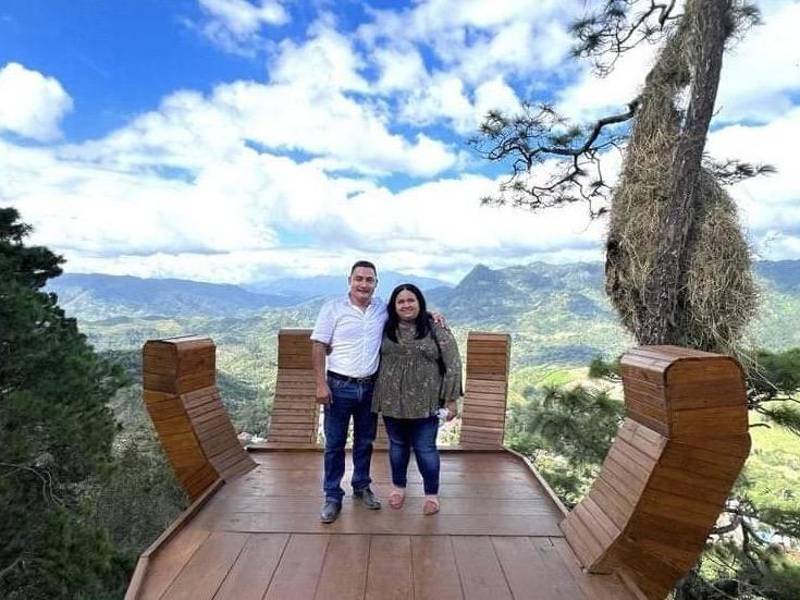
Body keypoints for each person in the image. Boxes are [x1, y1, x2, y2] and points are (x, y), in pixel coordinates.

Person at [371, 283, 462, 516]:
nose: (406, 305)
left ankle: (431, 494)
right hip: (392, 400)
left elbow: (453, 364)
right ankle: (398, 488)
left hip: (426, 402)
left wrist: (451, 400)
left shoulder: (435, 328)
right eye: (400, 301)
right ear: (394, 306)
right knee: (397, 446)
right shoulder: (385, 327)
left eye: (411, 300)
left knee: (425, 448)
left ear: (420, 303)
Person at [311, 260, 385, 523]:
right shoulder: (332, 308)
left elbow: (409, 312)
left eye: (369, 279)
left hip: (370, 386)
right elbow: (319, 345)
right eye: (359, 278)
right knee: (334, 444)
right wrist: (320, 384)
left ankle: (361, 486)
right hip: (338, 386)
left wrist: (432, 313)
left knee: (365, 441)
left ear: (376, 283)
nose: (364, 284)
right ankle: (333, 495)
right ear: (350, 280)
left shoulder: (382, 309)